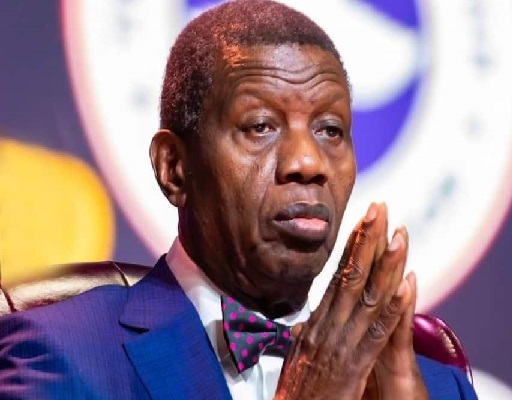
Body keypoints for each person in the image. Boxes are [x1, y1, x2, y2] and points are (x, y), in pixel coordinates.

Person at [0, 1, 477, 399]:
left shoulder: (438, 387)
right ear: (174, 168)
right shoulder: (63, 354)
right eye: (261, 127)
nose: (308, 162)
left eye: (331, 130)